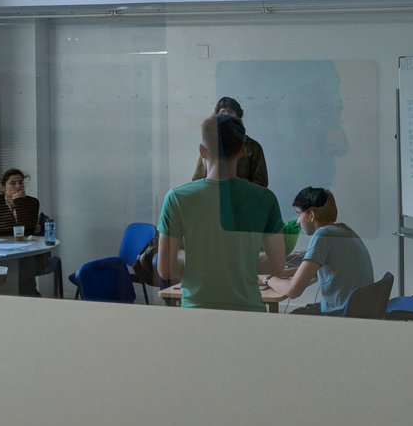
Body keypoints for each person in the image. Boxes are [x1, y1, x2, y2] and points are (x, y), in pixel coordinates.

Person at [158, 112, 285, 311]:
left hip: (196, 311)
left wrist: (200, 265)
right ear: (242, 152)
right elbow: (276, 265)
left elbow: (166, 269)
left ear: (202, 151)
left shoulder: (177, 198)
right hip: (248, 312)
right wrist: (241, 262)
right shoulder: (265, 199)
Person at [263, 187, 373, 315]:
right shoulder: (344, 230)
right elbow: (313, 271)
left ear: (311, 215)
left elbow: (293, 291)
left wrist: (267, 279)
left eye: (299, 214)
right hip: (355, 310)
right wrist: (283, 272)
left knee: (291, 318)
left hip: (339, 314)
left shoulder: (322, 235)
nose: (298, 221)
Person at [0, 168, 45, 296]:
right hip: (2, 247)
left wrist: (19, 203)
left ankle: (30, 296)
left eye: (21, 183)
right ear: (3, 187)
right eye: (13, 183)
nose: (18, 186)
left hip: (26, 249)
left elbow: (26, 230)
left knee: (23, 264)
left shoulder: (32, 202)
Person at [190, 96, 269, 187]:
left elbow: (261, 181)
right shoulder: (211, 144)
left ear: (238, 117)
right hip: (213, 194)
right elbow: (197, 178)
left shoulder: (253, 146)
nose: (226, 116)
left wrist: (240, 191)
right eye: (222, 112)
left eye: (230, 112)